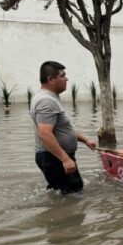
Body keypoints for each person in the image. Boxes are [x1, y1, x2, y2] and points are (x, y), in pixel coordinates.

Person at [30, 61, 97, 194]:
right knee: (74, 196)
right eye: (62, 76)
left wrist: (84, 140)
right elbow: (45, 134)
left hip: (55, 157)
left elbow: (62, 129)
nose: (66, 79)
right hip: (54, 158)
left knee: (64, 195)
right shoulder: (46, 101)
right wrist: (65, 159)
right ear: (50, 79)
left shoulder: (50, 98)